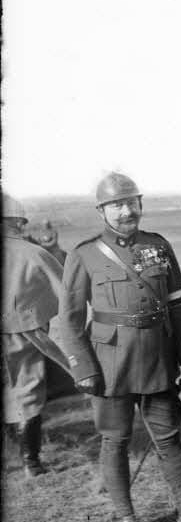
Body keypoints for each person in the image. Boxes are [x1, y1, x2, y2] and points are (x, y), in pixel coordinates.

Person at [58, 172, 181, 522]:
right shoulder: (84, 254)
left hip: (158, 359)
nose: (125, 211)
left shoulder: (159, 246)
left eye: (131, 203)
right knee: (115, 441)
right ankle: (125, 521)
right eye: (116, 205)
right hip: (109, 365)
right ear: (101, 211)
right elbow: (70, 320)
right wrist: (83, 367)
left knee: (169, 439)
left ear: (141, 204)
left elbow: (179, 307)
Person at [3, 194, 67, 477]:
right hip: (24, 333)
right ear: (17, 222)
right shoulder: (33, 252)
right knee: (27, 393)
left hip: (20, 332)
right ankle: (31, 462)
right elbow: (66, 291)